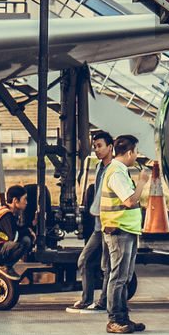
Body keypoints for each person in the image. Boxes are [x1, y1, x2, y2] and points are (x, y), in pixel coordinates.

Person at [99, 134, 147, 334]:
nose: (136, 156)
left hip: (126, 230)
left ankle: (123, 316)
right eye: (135, 152)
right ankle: (114, 320)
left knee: (124, 277)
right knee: (118, 277)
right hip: (119, 231)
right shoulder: (117, 173)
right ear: (129, 153)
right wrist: (142, 183)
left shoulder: (120, 170)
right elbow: (129, 201)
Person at [68, 131, 114, 313]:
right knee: (84, 260)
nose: (96, 150)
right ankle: (86, 300)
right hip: (97, 226)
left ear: (110, 147)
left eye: (100, 146)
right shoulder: (98, 168)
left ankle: (103, 302)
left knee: (107, 267)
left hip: (109, 225)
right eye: (94, 147)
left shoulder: (115, 168)